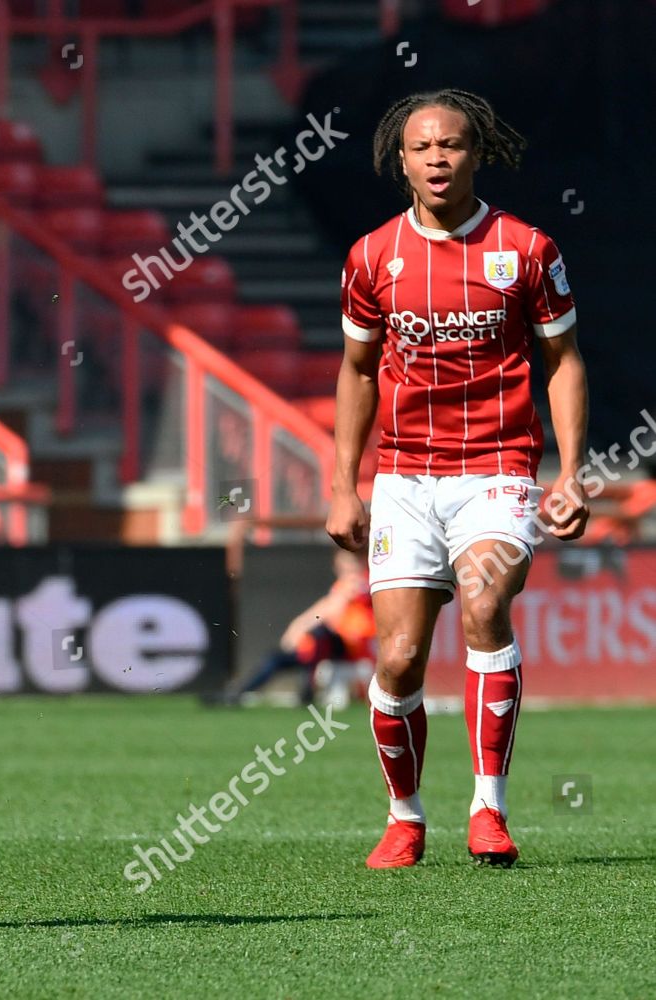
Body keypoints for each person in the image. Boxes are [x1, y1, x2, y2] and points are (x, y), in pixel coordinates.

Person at [329, 89, 588, 869]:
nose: (438, 158)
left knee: (484, 605)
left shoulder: (527, 249)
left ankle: (488, 810)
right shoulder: (372, 257)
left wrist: (572, 471)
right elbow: (356, 371)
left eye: (453, 145)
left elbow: (564, 361)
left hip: (498, 468)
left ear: (478, 154)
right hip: (406, 477)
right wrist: (345, 482)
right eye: (422, 147)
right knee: (399, 659)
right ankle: (405, 819)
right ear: (399, 160)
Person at [226, 548, 374, 705]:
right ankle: (240, 693)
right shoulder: (340, 587)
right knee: (276, 658)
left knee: (320, 635)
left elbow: (331, 610)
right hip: (325, 649)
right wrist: (296, 628)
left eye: (351, 562)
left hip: (354, 649)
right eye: (343, 562)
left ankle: (307, 691)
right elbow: (323, 610)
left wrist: (300, 626)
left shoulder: (365, 584)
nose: (347, 567)